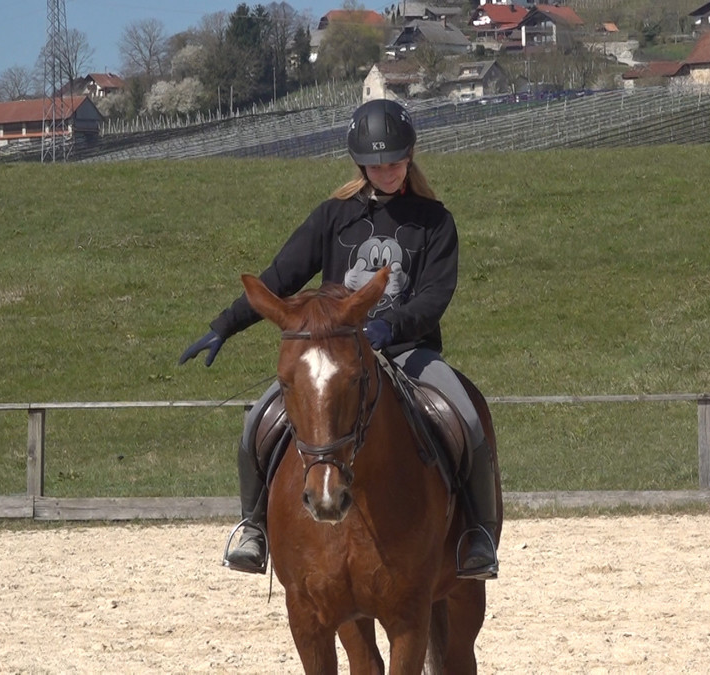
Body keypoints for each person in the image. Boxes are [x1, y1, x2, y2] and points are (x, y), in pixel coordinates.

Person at [179, 98, 498, 580]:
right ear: (359, 164)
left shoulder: (435, 222)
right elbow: (280, 276)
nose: (387, 171)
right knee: (256, 426)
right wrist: (225, 323)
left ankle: (478, 535)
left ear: (410, 156)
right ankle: (254, 529)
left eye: (394, 161)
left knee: (468, 420)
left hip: (409, 352)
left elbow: (435, 295)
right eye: (375, 164)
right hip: (335, 356)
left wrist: (390, 326)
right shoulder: (333, 216)